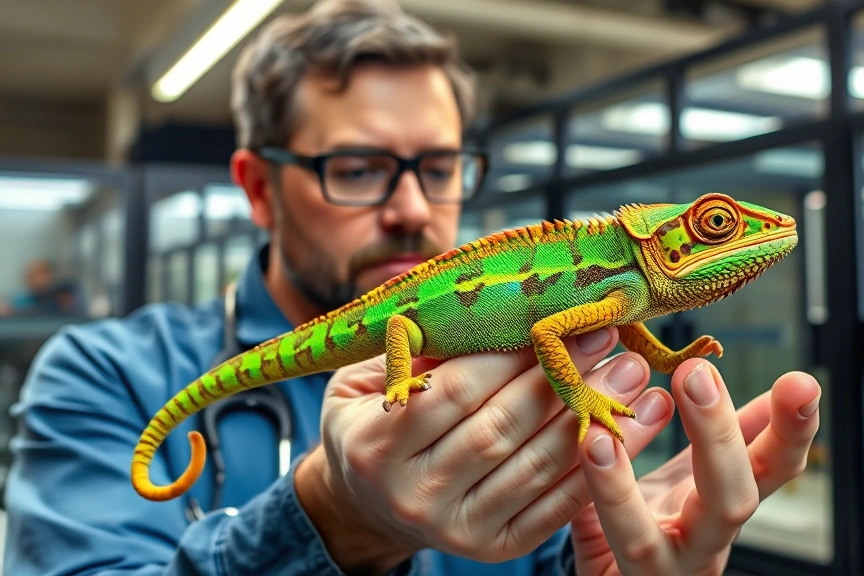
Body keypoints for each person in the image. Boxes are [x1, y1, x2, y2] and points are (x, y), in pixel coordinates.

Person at [2, 0, 822, 574]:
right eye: (354, 169)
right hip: (410, 329)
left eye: (439, 168)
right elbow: (545, 335)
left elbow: (592, 338)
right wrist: (332, 513)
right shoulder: (102, 374)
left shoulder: (620, 298)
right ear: (256, 190)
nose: (409, 208)